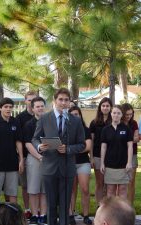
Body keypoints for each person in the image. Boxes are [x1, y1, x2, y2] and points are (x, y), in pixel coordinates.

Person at [32, 88, 86, 225]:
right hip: (49, 168)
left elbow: (82, 145)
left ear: (69, 102)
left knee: (64, 205)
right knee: (50, 205)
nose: (63, 102)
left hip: (67, 168)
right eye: (60, 99)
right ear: (55, 101)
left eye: (66, 100)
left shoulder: (75, 121)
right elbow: (35, 139)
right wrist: (39, 147)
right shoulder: (45, 118)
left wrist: (68, 149)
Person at [0, 97, 24, 204]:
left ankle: (12, 217)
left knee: (12, 193)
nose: (8, 109)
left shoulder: (15, 122)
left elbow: (18, 141)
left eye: (10, 107)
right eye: (6, 107)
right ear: (0, 108)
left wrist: (21, 159)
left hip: (12, 164)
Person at [100, 105, 133, 199]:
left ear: (121, 115)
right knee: (110, 190)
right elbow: (103, 147)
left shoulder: (126, 129)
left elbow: (130, 146)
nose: (116, 115)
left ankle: (122, 213)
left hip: (123, 165)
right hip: (110, 165)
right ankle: (111, 213)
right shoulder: (105, 130)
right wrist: (102, 163)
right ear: (111, 114)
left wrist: (129, 162)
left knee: (122, 190)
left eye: (118, 113)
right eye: (114, 112)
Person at [23, 97, 47, 224]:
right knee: (33, 189)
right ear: (32, 109)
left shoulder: (50, 122)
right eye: (37, 106)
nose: (40, 108)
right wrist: (39, 156)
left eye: (42, 106)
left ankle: (43, 214)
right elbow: (27, 144)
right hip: (34, 159)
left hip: (49, 159)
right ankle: (34, 215)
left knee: (44, 190)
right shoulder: (29, 124)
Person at [68, 106, 93, 225]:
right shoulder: (65, 129)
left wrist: (71, 149)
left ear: (80, 115)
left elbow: (87, 147)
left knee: (85, 189)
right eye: (72, 114)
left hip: (83, 162)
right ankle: (71, 215)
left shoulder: (85, 129)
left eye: (76, 114)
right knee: (71, 190)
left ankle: (86, 215)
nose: (74, 116)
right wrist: (77, 148)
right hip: (70, 163)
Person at [16, 90, 37, 219]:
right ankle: (27, 208)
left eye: (34, 100)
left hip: (40, 156)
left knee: (39, 185)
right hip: (24, 155)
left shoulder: (42, 116)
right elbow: (18, 140)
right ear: (25, 101)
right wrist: (21, 158)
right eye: (29, 100)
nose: (31, 102)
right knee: (25, 185)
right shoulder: (20, 118)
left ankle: (38, 209)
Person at [89, 97, 112, 205]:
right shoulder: (94, 123)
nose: (105, 108)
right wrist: (91, 157)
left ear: (111, 107)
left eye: (107, 106)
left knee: (108, 183)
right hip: (97, 155)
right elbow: (91, 141)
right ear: (100, 107)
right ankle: (99, 205)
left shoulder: (114, 122)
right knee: (100, 182)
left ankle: (107, 205)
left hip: (111, 156)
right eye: (103, 105)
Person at [121, 103, 139, 205]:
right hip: (120, 155)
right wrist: (130, 139)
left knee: (131, 181)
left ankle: (130, 206)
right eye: (127, 114)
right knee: (120, 182)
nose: (129, 116)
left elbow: (137, 138)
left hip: (133, 154)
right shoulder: (119, 123)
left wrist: (126, 139)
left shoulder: (134, 123)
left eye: (131, 114)